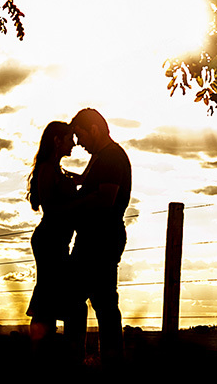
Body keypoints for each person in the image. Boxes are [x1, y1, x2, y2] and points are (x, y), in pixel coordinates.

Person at [65, 108, 132, 368]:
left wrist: (73, 203)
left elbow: (106, 198)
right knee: (83, 301)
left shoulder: (112, 157)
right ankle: (97, 360)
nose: (79, 143)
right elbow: (92, 184)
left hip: (101, 239)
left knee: (100, 303)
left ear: (93, 130)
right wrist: (75, 180)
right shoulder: (101, 156)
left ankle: (106, 362)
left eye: (80, 136)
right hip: (92, 237)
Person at [26, 121, 79, 343]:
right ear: (57, 141)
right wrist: (79, 205)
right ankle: (40, 348)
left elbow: (80, 180)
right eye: (69, 138)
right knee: (48, 295)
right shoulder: (48, 169)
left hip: (56, 239)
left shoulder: (57, 170)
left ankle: (42, 348)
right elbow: (50, 207)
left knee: (49, 294)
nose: (74, 144)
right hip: (50, 240)